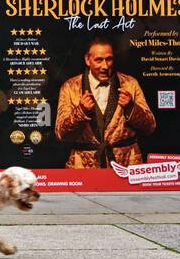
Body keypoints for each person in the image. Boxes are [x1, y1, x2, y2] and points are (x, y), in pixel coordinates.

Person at [54, 37, 155, 168]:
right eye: (98, 60)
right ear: (87, 60)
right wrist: (81, 112)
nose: (105, 66)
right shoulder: (70, 87)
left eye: (109, 59)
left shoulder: (130, 84)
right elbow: (61, 135)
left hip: (126, 163)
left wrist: (131, 108)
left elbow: (150, 128)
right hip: (83, 167)